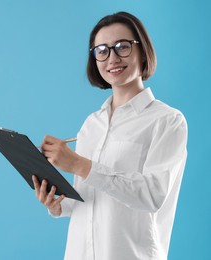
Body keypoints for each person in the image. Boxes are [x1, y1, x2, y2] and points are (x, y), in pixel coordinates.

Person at [32, 11, 187, 260]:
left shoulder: (167, 120)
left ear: (142, 50)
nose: (112, 58)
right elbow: (87, 198)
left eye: (122, 47)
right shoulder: (91, 124)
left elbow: (151, 195)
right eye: (102, 50)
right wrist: (57, 204)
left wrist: (79, 164)